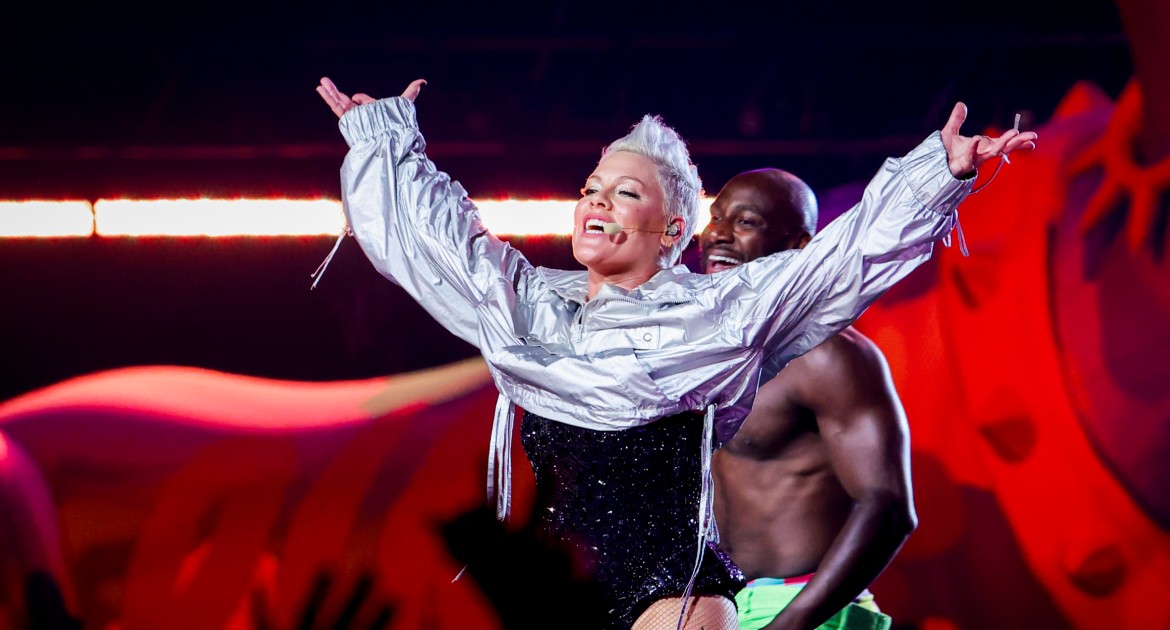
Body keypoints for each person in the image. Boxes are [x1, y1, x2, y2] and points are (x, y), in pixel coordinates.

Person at [315, 76, 1035, 629]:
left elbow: (836, 265)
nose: (596, 202)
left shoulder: (712, 317)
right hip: (570, 603)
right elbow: (437, 249)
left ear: (670, 229)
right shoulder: (529, 309)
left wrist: (935, 173)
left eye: (625, 193)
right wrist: (382, 140)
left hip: (676, 600)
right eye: (591, 188)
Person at [702, 169, 910, 630]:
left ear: (798, 245)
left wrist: (791, 624)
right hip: (726, 607)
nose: (718, 233)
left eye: (746, 221)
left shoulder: (829, 355)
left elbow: (888, 505)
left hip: (807, 610)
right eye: (716, 217)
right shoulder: (699, 352)